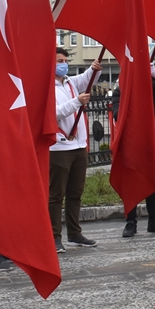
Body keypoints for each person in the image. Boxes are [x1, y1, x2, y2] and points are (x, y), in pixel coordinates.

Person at [50, 48, 101, 252]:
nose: (63, 64)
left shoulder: (69, 82)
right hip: (59, 147)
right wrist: (76, 102)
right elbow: (53, 113)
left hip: (78, 145)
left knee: (75, 193)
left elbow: (86, 79)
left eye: (64, 60)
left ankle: (74, 233)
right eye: (58, 61)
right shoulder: (46, 86)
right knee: (56, 195)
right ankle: (54, 236)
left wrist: (94, 68)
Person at [121, 63, 155, 237]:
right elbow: (116, 109)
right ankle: (130, 222)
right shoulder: (123, 85)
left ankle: (154, 221)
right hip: (132, 138)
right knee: (132, 180)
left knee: (152, 178)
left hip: (152, 136)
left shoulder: (152, 83)